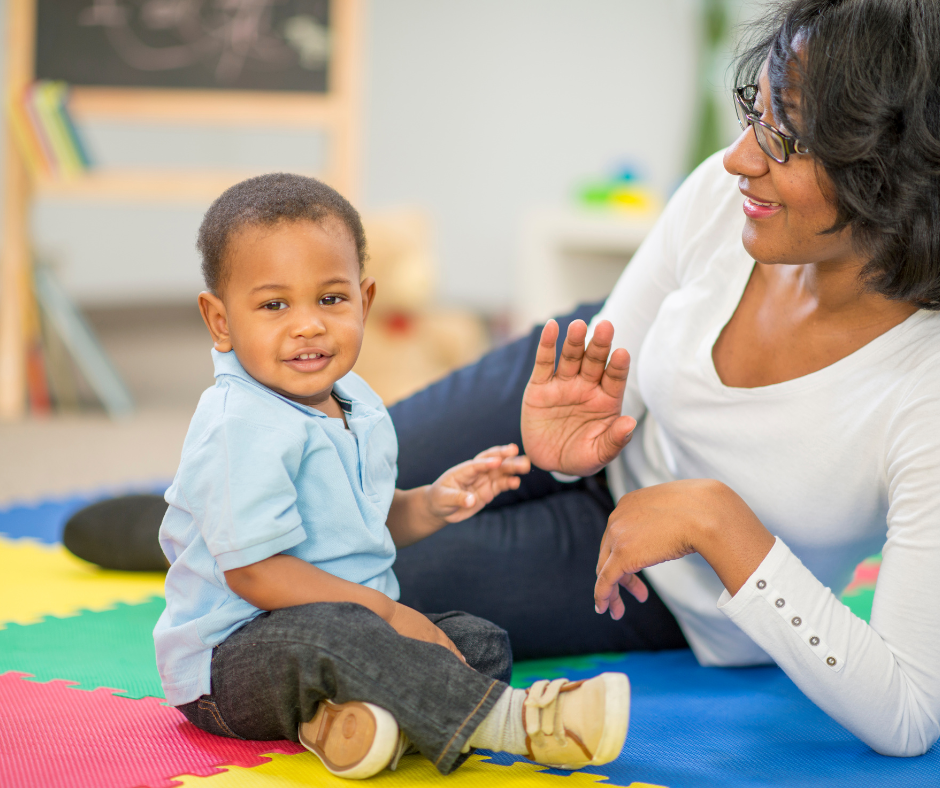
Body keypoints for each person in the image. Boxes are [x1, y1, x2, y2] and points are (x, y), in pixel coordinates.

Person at [65, 0, 940, 759]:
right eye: (758, 111)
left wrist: (714, 519)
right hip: (585, 390)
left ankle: (240, 533)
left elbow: (908, 713)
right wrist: (561, 450)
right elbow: (611, 355)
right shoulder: (726, 195)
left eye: (788, 139)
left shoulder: (924, 393)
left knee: (382, 612)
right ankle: (206, 517)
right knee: (337, 457)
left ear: (894, 177)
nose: (742, 157)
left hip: (660, 586)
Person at [155, 172, 631, 780]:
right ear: (219, 320)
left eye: (331, 299)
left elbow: (362, 526)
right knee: (346, 635)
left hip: (344, 625)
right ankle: (515, 723)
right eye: (274, 305)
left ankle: (346, 726)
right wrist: (385, 613)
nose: (308, 325)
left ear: (365, 300)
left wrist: (432, 504)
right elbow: (254, 572)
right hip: (235, 661)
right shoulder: (242, 422)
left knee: (478, 641)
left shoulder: (355, 400)